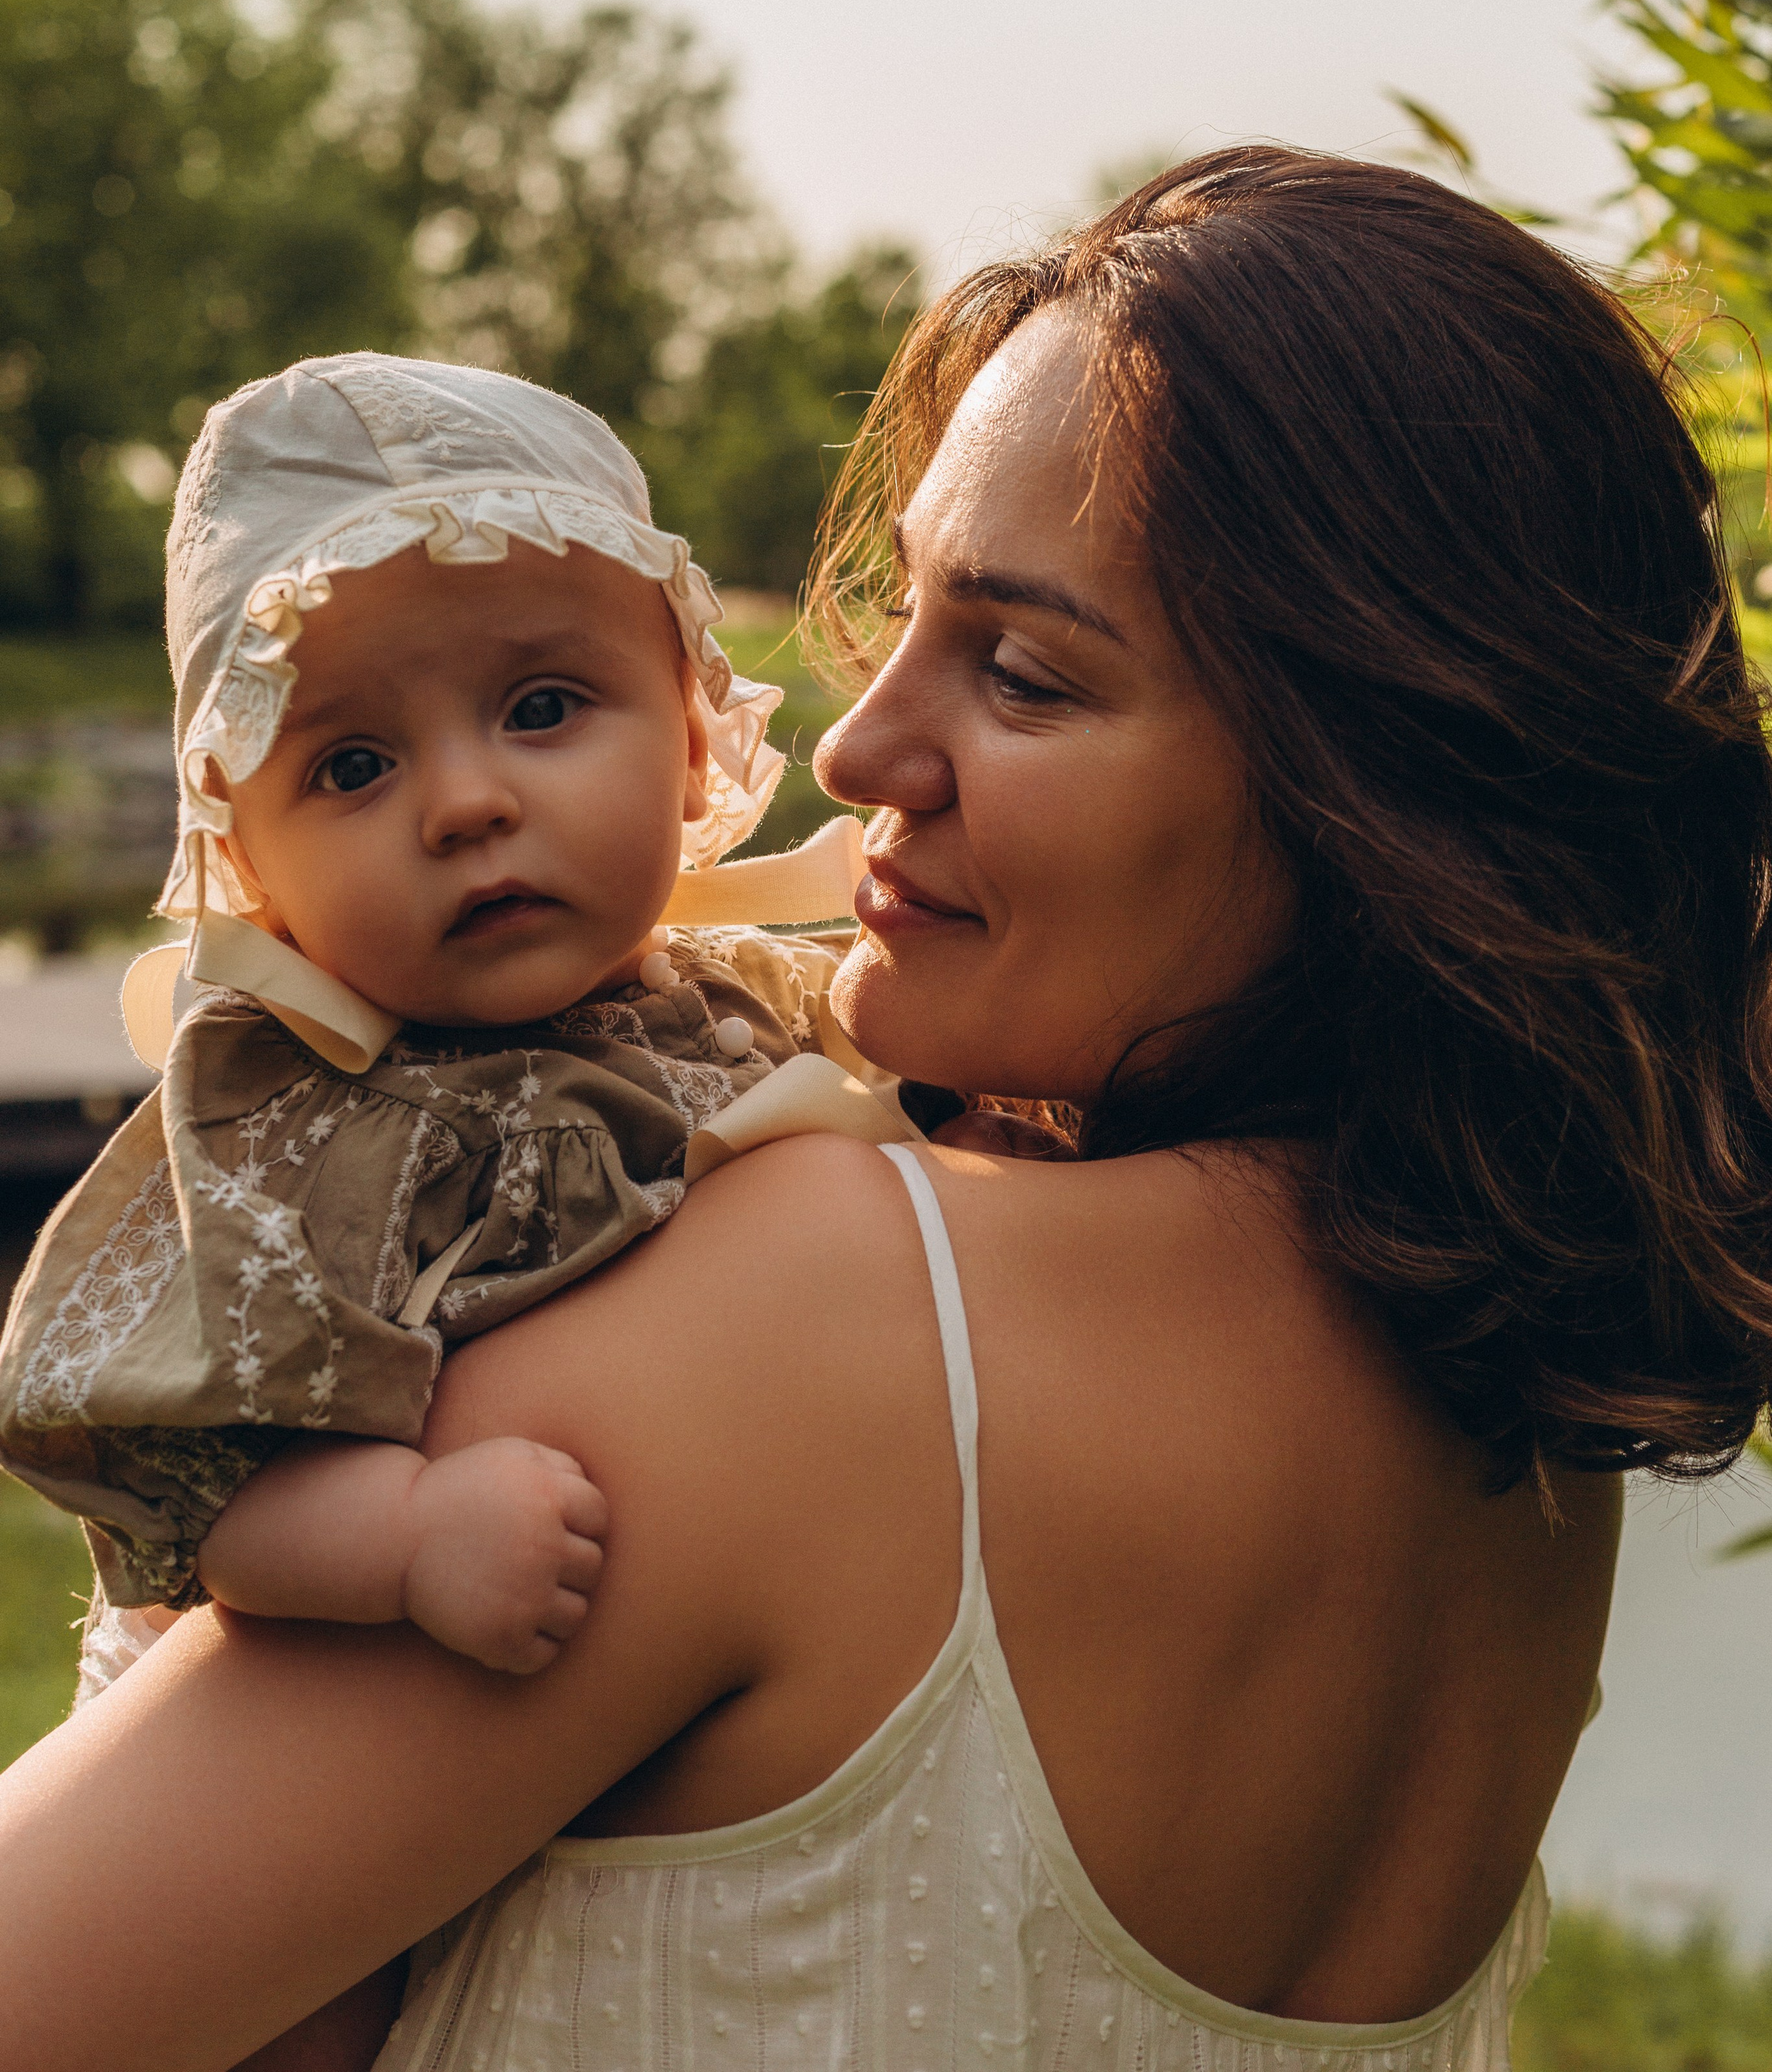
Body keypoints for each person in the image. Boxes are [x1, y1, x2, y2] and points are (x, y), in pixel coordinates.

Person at [3, 147, 1770, 2072]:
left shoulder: (833, 1317)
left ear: (1377, 790)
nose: (850, 747)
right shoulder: (1528, 1434)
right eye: (909, 617)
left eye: (1021, 673)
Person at [0, 351, 887, 1679]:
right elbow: (194, 1484)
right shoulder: (303, 1121)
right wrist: (408, 1537)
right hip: (350, 1765)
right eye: (353, 766)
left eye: (542, 708)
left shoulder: (751, 996)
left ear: (694, 736)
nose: (466, 801)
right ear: (250, 864)